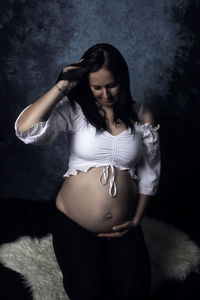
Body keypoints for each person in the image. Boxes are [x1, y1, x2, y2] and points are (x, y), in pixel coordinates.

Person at [14, 43, 161, 300]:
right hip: (73, 221)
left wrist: (137, 220)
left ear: (123, 79)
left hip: (122, 224)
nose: (106, 94)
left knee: (135, 291)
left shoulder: (142, 116)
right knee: (89, 293)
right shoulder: (74, 111)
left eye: (112, 84)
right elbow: (26, 131)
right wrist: (62, 87)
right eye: (97, 87)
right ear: (87, 84)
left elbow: (150, 174)